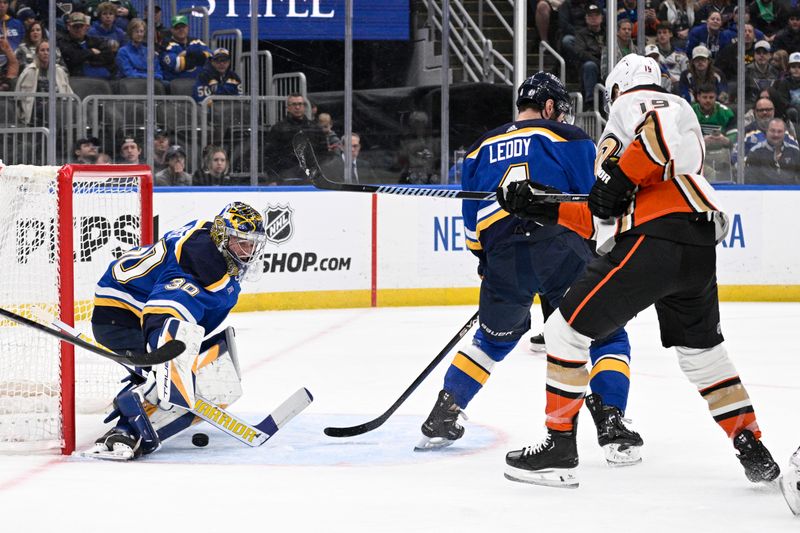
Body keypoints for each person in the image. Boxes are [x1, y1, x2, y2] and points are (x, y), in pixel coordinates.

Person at [497, 55, 780, 488]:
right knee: (703, 355)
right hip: (693, 244)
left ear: (617, 88)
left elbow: (652, 143)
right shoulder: (645, 147)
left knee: (563, 333)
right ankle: (750, 442)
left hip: (655, 238)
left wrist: (618, 178)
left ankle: (559, 447)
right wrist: (542, 206)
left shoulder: (640, 101)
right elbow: (606, 215)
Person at [417, 73, 643, 469]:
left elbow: (471, 224)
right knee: (604, 334)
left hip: (504, 258)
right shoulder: (570, 137)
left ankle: (444, 412)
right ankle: (610, 420)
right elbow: (593, 205)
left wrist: (487, 262)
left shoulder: (477, 149)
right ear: (551, 106)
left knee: (492, 340)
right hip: (561, 248)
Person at [85, 202, 267, 460]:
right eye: (242, 243)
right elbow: (163, 310)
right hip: (120, 315)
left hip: (130, 304)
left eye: (253, 244)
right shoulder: (198, 264)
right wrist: (166, 354)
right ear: (223, 236)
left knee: (186, 361)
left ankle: (146, 385)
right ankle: (124, 429)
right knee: (166, 375)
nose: (248, 251)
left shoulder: (210, 245)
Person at [268, 93, 326, 182]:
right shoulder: (278, 129)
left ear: (304, 106)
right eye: (294, 104)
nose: (297, 107)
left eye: (300, 104)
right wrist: (272, 179)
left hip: (312, 176)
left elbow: (324, 153)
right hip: (286, 175)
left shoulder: (315, 128)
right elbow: (270, 156)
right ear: (287, 107)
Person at [15, 40, 73, 126]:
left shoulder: (59, 71)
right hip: (35, 111)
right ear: (37, 53)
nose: (46, 53)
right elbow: (19, 96)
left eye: (48, 50)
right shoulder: (29, 71)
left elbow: (68, 93)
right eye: (42, 50)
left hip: (57, 111)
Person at [692, 84, 736, 181]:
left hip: (722, 153)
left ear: (716, 97)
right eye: (704, 97)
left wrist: (726, 140)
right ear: (698, 97)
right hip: (698, 153)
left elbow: (734, 133)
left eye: (711, 97)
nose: (708, 100)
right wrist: (701, 141)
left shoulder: (726, 112)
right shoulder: (691, 111)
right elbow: (686, 134)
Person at [57, 11, 115, 79]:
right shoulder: (62, 43)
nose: (78, 29)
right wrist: (91, 52)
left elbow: (109, 57)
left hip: (104, 81)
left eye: (81, 26)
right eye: (75, 26)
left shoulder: (97, 41)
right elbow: (72, 58)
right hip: (78, 82)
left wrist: (85, 58)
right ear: (68, 27)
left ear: (86, 27)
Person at [745, 118, 800, 184]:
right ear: (766, 131)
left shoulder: (794, 151)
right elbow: (750, 180)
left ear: (784, 133)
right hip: (763, 192)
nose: (776, 134)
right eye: (772, 131)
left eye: (779, 131)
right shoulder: (755, 152)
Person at [160, 15, 211, 82]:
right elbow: (177, 64)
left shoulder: (196, 42)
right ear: (171, 30)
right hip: (178, 83)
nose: (181, 30)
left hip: (199, 81)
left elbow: (211, 57)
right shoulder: (166, 45)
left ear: (187, 28)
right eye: (177, 27)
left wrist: (188, 52)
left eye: (183, 27)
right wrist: (200, 58)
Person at [573, 5, 605, 107]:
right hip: (589, 66)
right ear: (586, 19)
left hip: (606, 63)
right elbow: (580, 52)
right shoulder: (580, 34)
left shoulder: (608, 33)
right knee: (590, 65)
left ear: (602, 18)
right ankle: (590, 102)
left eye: (596, 15)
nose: (594, 18)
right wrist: (597, 61)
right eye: (590, 16)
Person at [744, 41, 779, 108]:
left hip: (771, 105)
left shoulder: (775, 72)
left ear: (770, 55)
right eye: (758, 53)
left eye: (765, 53)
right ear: (754, 55)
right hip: (751, 105)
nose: (761, 55)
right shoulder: (746, 71)